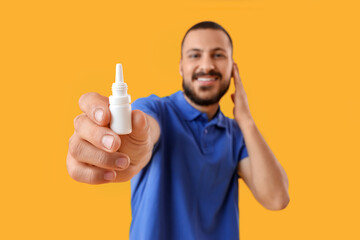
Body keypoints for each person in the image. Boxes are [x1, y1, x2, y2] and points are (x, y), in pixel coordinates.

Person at [66, 21, 289, 240]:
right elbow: (143, 136)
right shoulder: (156, 110)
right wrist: (127, 149)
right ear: (181, 66)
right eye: (195, 55)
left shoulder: (237, 134)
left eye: (218, 55)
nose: (207, 65)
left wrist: (246, 119)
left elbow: (277, 198)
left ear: (233, 68)